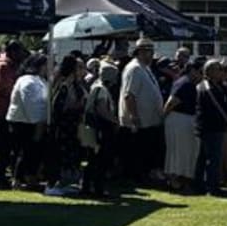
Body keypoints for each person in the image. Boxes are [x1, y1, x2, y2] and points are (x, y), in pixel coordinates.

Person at [119, 38, 165, 184]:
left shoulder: (145, 68)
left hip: (150, 120)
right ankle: (137, 177)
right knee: (139, 152)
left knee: (147, 151)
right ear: (139, 52)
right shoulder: (135, 69)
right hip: (140, 121)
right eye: (147, 52)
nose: (150, 55)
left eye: (151, 52)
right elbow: (129, 95)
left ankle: (145, 175)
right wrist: (134, 116)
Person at [45, 55, 87, 195]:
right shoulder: (63, 86)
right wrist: (75, 108)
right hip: (63, 128)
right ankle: (53, 184)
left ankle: (66, 182)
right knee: (60, 156)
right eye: (79, 68)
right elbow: (58, 108)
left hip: (73, 127)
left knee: (71, 157)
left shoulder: (76, 86)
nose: (83, 71)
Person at [6, 54, 49, 190]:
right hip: (24, 122)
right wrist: (37, 122)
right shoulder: (27, 81)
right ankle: (17, 180)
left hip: (35, 121)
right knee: (25, 151)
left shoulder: (40, 80)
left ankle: (31, 178)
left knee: (34, 152)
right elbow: (30, 103)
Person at [163, 61, 203, 192]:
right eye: (199, 72)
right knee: (179, 151)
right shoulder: (185, 83)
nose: (200, 75)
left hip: (184, 119)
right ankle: (176, 180)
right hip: (179, 119)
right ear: (192, 70)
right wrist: (163, 117)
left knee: (184, 151)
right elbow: (171, 102)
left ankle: (181, 179)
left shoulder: (187, 83)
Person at [193, 59, 227, 196]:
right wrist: (226, 120)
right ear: (209, 72)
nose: (221, 72)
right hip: (211, 127)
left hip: (212, 126)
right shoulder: (207, 88)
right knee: (213, 158)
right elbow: (216, 107)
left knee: (204, 157)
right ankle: (212, 187)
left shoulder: (217, 85)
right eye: (218, 69)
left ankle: (200, 184)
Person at [81, 62, 119, 199]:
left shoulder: (96, 86)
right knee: (99, 159)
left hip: (93, 128)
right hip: (100, 129)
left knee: (93, 159)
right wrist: (115, 120)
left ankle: (88, 186)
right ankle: (97, 188)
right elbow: (101, 109)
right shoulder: (101, 89)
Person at [0, 41, 26, 187]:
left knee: (8, 145)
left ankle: (4, 174)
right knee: (3, 146)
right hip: (3, 110)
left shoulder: (11, 66)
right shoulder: (3, 67)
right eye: (20, 52)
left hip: (9, 110)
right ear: (13, 52)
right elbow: (5, 89)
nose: (23, 55)